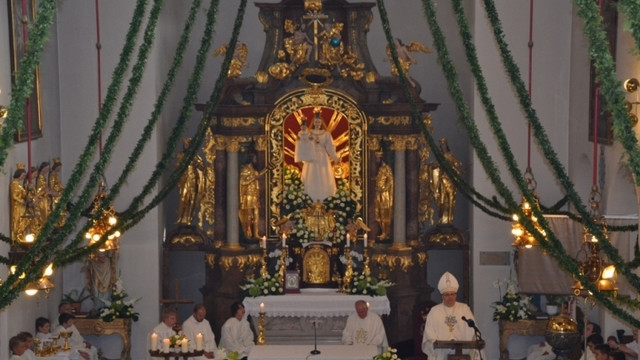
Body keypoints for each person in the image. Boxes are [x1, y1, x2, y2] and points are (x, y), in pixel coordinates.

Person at [422, 271, 485, 360]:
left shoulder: (464, 309)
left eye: (452, 294)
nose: (450, 297)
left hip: (463, 352)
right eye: (447, 295)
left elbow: (472, 331)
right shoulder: (434, 311)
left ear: (456, 295)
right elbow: (429, 334)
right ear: (442, 296)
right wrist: (439, 343)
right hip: (441, 353)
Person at [294, 109, 339, 202]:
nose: (317, 123)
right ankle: (309, 199)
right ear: (313, 122)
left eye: (319, 121)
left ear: (321, 122)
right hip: (311, 157)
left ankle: (325, 200)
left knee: (324, 176)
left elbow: (330, 147)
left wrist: (335, 158)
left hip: (323, 158)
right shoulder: (308, 133)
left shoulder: (326, 134)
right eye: (316, 121)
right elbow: (302, 140)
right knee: (310, 177)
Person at [430, 138, 461, 226]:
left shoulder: (450, 155)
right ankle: (441, 218)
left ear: (446, 146)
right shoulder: (439, 156)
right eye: (441, 145)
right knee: (442, 200)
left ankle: (450, 219)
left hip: (450, 180)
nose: (443, 146)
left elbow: (456, 164)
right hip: (443, 180)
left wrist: (457, 168)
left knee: (451, 200)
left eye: (444, 145)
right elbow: (434, 165)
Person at [176, 138, 206, 226]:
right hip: (184, 179)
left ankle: (189, 218)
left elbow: (202, 167)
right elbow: (177, 167)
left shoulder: (195, 156)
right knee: (183, 198)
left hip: (193, 179)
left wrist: (196, 163)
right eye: (185, 145)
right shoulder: (181, 155)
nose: (187, 146)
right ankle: (180, 218)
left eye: (188, 145)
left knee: (192, 199)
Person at [238, 161, 266, 239]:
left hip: (254, 196)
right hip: (247, 196)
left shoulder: (255, 171)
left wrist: (258, 191)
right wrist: (253, 177)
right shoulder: (244, 169)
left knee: (256, 215)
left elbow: (257, 184)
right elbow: (242, 182)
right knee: (248, 216)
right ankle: (248, 234)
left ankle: (256, 233)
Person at [374, 159, 393, 240]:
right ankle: (383, 231)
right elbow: (378, 179)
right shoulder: (380, 169)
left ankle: (386, 233)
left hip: (385, 194)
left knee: (385, 214)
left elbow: (390, 180)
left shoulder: (387, 168)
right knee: (378, 214)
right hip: (379, 193)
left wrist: (384, 188)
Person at [10, 164, 27, 242]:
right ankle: (17, 239)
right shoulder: (14, 184)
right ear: (18, 174)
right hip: (17, 206)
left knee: (23, 221)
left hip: (21, 206)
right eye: (23, 175)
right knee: (18, 221)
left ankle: (21, 237)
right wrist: (22, 201)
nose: (23, 177)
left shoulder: (19, 183)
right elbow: (14, 196)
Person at [48, 158, 66, 227]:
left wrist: (63, 189)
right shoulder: (52, 175)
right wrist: (57, 190)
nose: (60, 169)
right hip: (56, 194)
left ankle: (61, 222)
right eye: (59, 167)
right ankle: (58, 223)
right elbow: (52, 186)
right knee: (58, 208)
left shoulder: (56, 175)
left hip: (59, 192)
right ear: (56, 167)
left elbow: (59, 184)